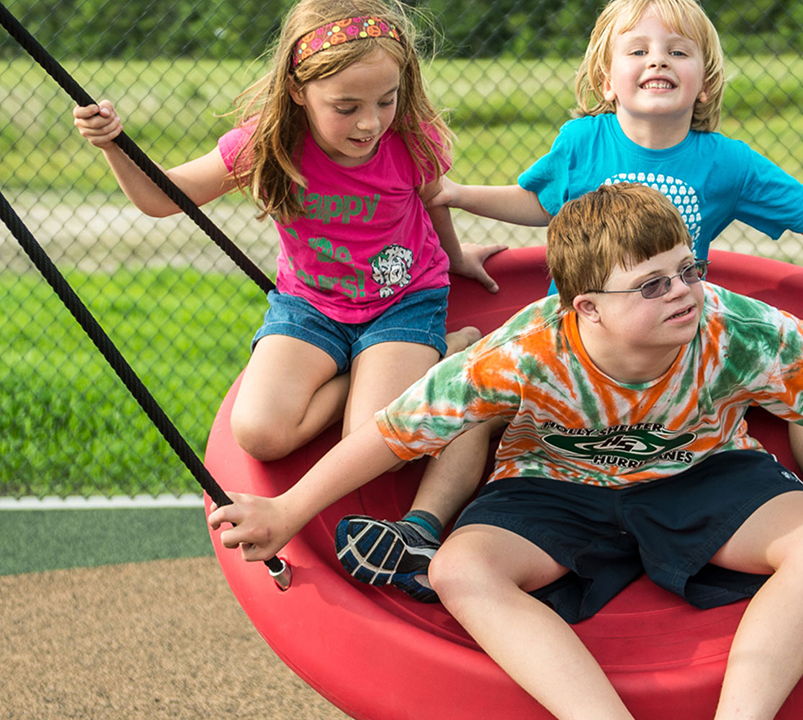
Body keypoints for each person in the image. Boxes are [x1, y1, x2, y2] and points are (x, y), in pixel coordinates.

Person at [209, 182, 803, 720]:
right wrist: (287, 511)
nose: (684, 293)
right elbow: (389, 431)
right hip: (554, 480)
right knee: (461, 568)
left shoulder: (728, 325)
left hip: (702, 468)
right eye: (652, 285)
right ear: (585, 310)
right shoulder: (525, 349)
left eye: (686, 270)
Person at [334, 0, 803, 595]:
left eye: (677, 51)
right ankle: (421, 529)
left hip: (679, 352)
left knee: (788, 373)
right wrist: (462, 195)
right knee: (478, 404)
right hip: (577, 355)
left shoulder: (725, 162)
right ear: (607, 77)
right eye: (637, 50)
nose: (657, 61)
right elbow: (537, 201)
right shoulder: (581, 142)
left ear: (705, 79)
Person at [70, 0, 503, 470]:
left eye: (386, 99)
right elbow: (162, 198)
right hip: (311, 306)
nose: (370, 123)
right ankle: (364, 374)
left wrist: (455, 256)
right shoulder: (269, 144)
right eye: (346, 106)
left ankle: (451, 349)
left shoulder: (410, 139)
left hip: (403, 300)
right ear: (298, 90)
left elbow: (433, 201)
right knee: (259, 432)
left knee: (380, 448)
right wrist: (114, 145)